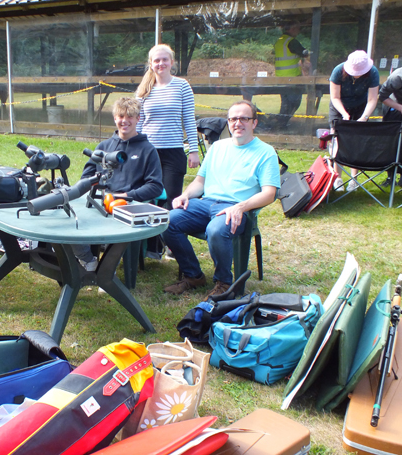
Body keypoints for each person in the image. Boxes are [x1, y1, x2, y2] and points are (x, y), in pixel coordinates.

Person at [162, 100, 280, 298]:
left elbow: (269, 193)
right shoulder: (217, 147)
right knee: (167, 221)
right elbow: (200, 182)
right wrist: (185, 195)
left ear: (254, 123)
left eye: (244, 118)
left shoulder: (265, 152)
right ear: (228, 122)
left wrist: (240, 207)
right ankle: (193, 276)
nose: (238, 123)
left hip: (238, 208)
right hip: (206, 203)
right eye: (233, 119)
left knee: (215, 230)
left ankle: (224, 283)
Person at [72, 97, 163, 270]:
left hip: (127, 205)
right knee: (68, 217)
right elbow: (86, 176)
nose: (125, 121)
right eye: (121, 116)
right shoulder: (104, 146)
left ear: (138, 119)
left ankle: (106, 273)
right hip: (98, 201)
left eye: (130, 116)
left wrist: (127, 196)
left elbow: (155, 186)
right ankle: (87, 259)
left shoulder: (148, 150)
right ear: (115, 118)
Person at [136, 44, 199, 259]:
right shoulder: (144, 90)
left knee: (172, 198)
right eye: (156, 60)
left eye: (165, 60)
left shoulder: (182, 86)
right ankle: (149, 245)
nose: (160, 64)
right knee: (148, 197)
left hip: (173, 152)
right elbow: (138, 122)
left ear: (172, 62)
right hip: (148, 152)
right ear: (151, 64)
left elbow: (189, 120)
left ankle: (173, 244)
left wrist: (193, 150)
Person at [328, 50, 381, 192]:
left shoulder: (373, 73)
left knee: (356, 141)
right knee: (338, 140)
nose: (356, 74)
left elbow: (372, 99)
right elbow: (335, 97)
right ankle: (337, 178)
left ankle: (353, 180)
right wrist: (344, 114)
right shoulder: (338, 71)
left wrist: (363, 117)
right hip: (339, 107)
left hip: (361, 107)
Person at [273, 22, 311, 128]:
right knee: (294, 102)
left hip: (281, 77)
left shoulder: (279, 41)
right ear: (292, 28)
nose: (298, 31)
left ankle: (280, 123)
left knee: (285, 103)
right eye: (297, 28)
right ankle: (280, 123)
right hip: (292, 78)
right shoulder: (291, 42)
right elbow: (304, 53)